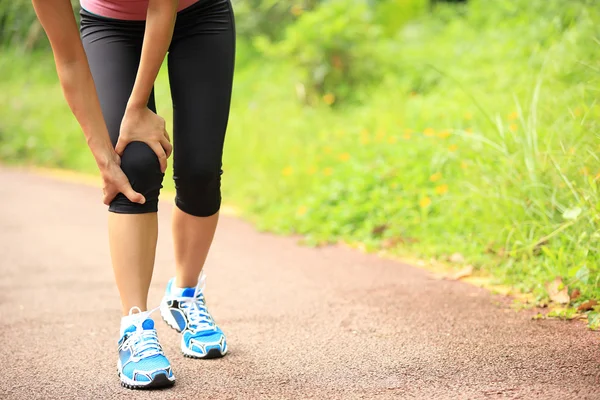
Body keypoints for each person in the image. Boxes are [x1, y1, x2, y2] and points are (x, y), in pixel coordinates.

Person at [31, 0, 235, 390]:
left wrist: (137, 106)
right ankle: (135, 326)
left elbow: (162, 7)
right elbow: (70, 60)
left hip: (198, 12)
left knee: (199, 170)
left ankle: (184, 295)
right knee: (133, 166)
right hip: (111, 26)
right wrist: (104, 156)